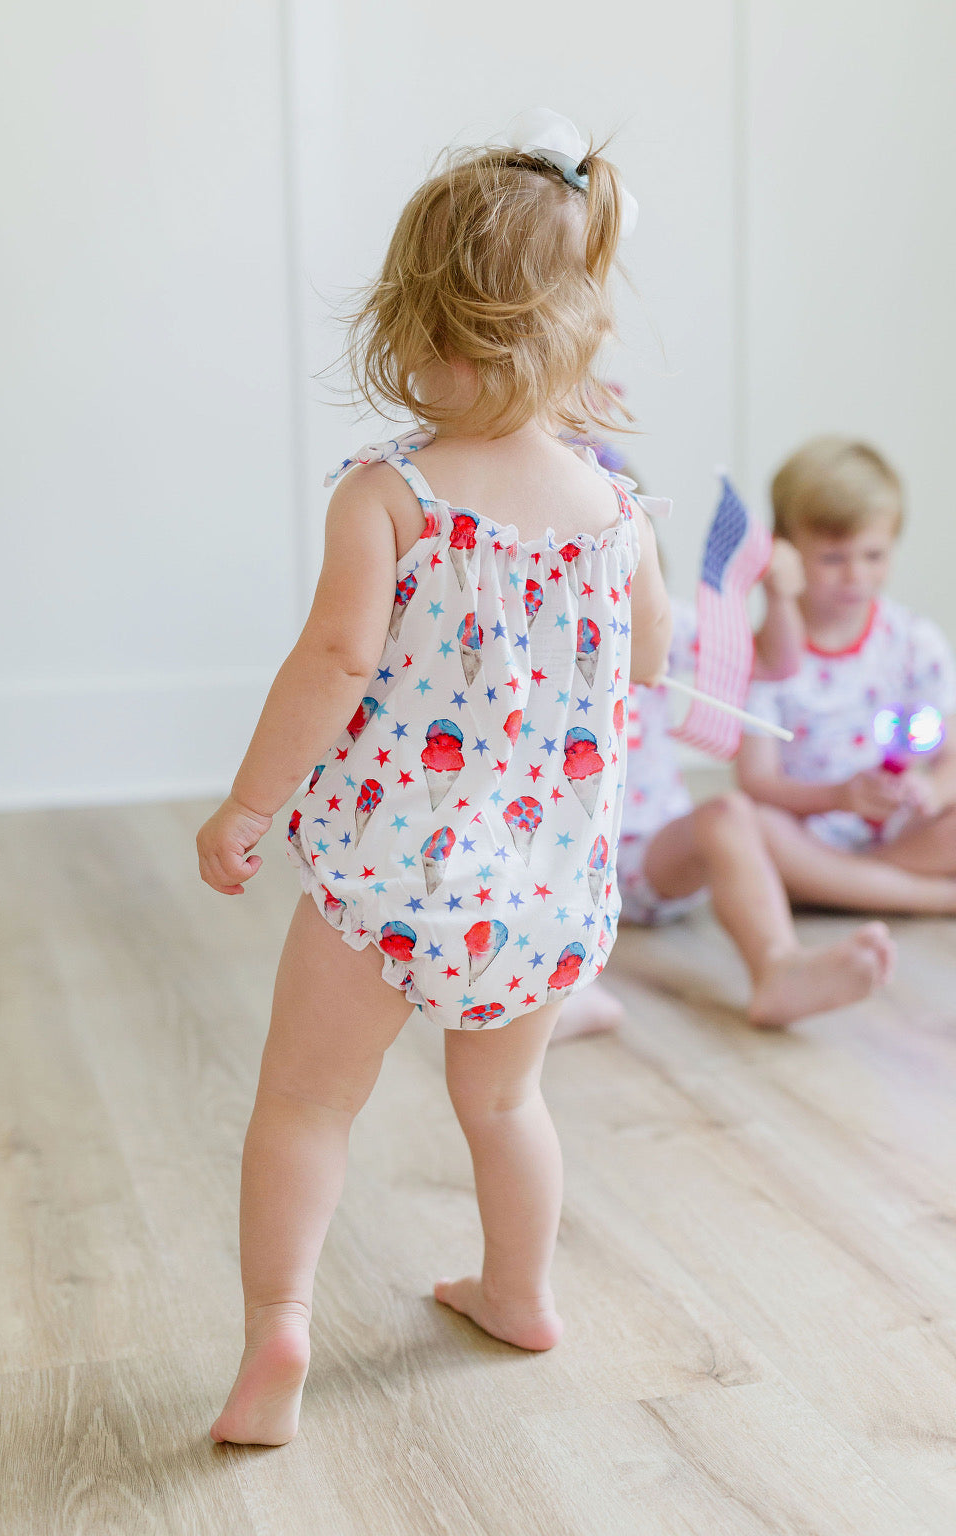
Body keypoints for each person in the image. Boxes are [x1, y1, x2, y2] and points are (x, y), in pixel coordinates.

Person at [195, 111, 672, 1446]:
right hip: (537, 891)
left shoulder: (389, 495)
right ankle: (519, 1293)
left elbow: (336, 659)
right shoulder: (615, 507)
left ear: (425, 331)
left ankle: (279, 1329)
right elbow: (653, 659)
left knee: (303, 1100)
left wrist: (249, 808)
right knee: (507, 1100)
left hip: (387, 877)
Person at [554, 538, 896, 1040]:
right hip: (562, 872)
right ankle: (555, 998)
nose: (610, 608)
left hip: (649, 855)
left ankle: (779, 968)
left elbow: (774, 662)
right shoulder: (533, 650)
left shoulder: (662, 631)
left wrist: (779, 597)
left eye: (627, 591)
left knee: (729, 812)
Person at [735, 436, 956, 913]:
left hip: (897, 828)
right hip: (806, 831)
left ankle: (848, 886)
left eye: (874, 555)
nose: (856, 575)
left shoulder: (913, 640)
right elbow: (755, 780)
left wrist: (931, 792)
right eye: (832, 559)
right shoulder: (767, 658)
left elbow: (951, 753)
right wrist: (838, 796)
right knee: (750, 824)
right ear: (785, 554)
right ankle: (931, 896)